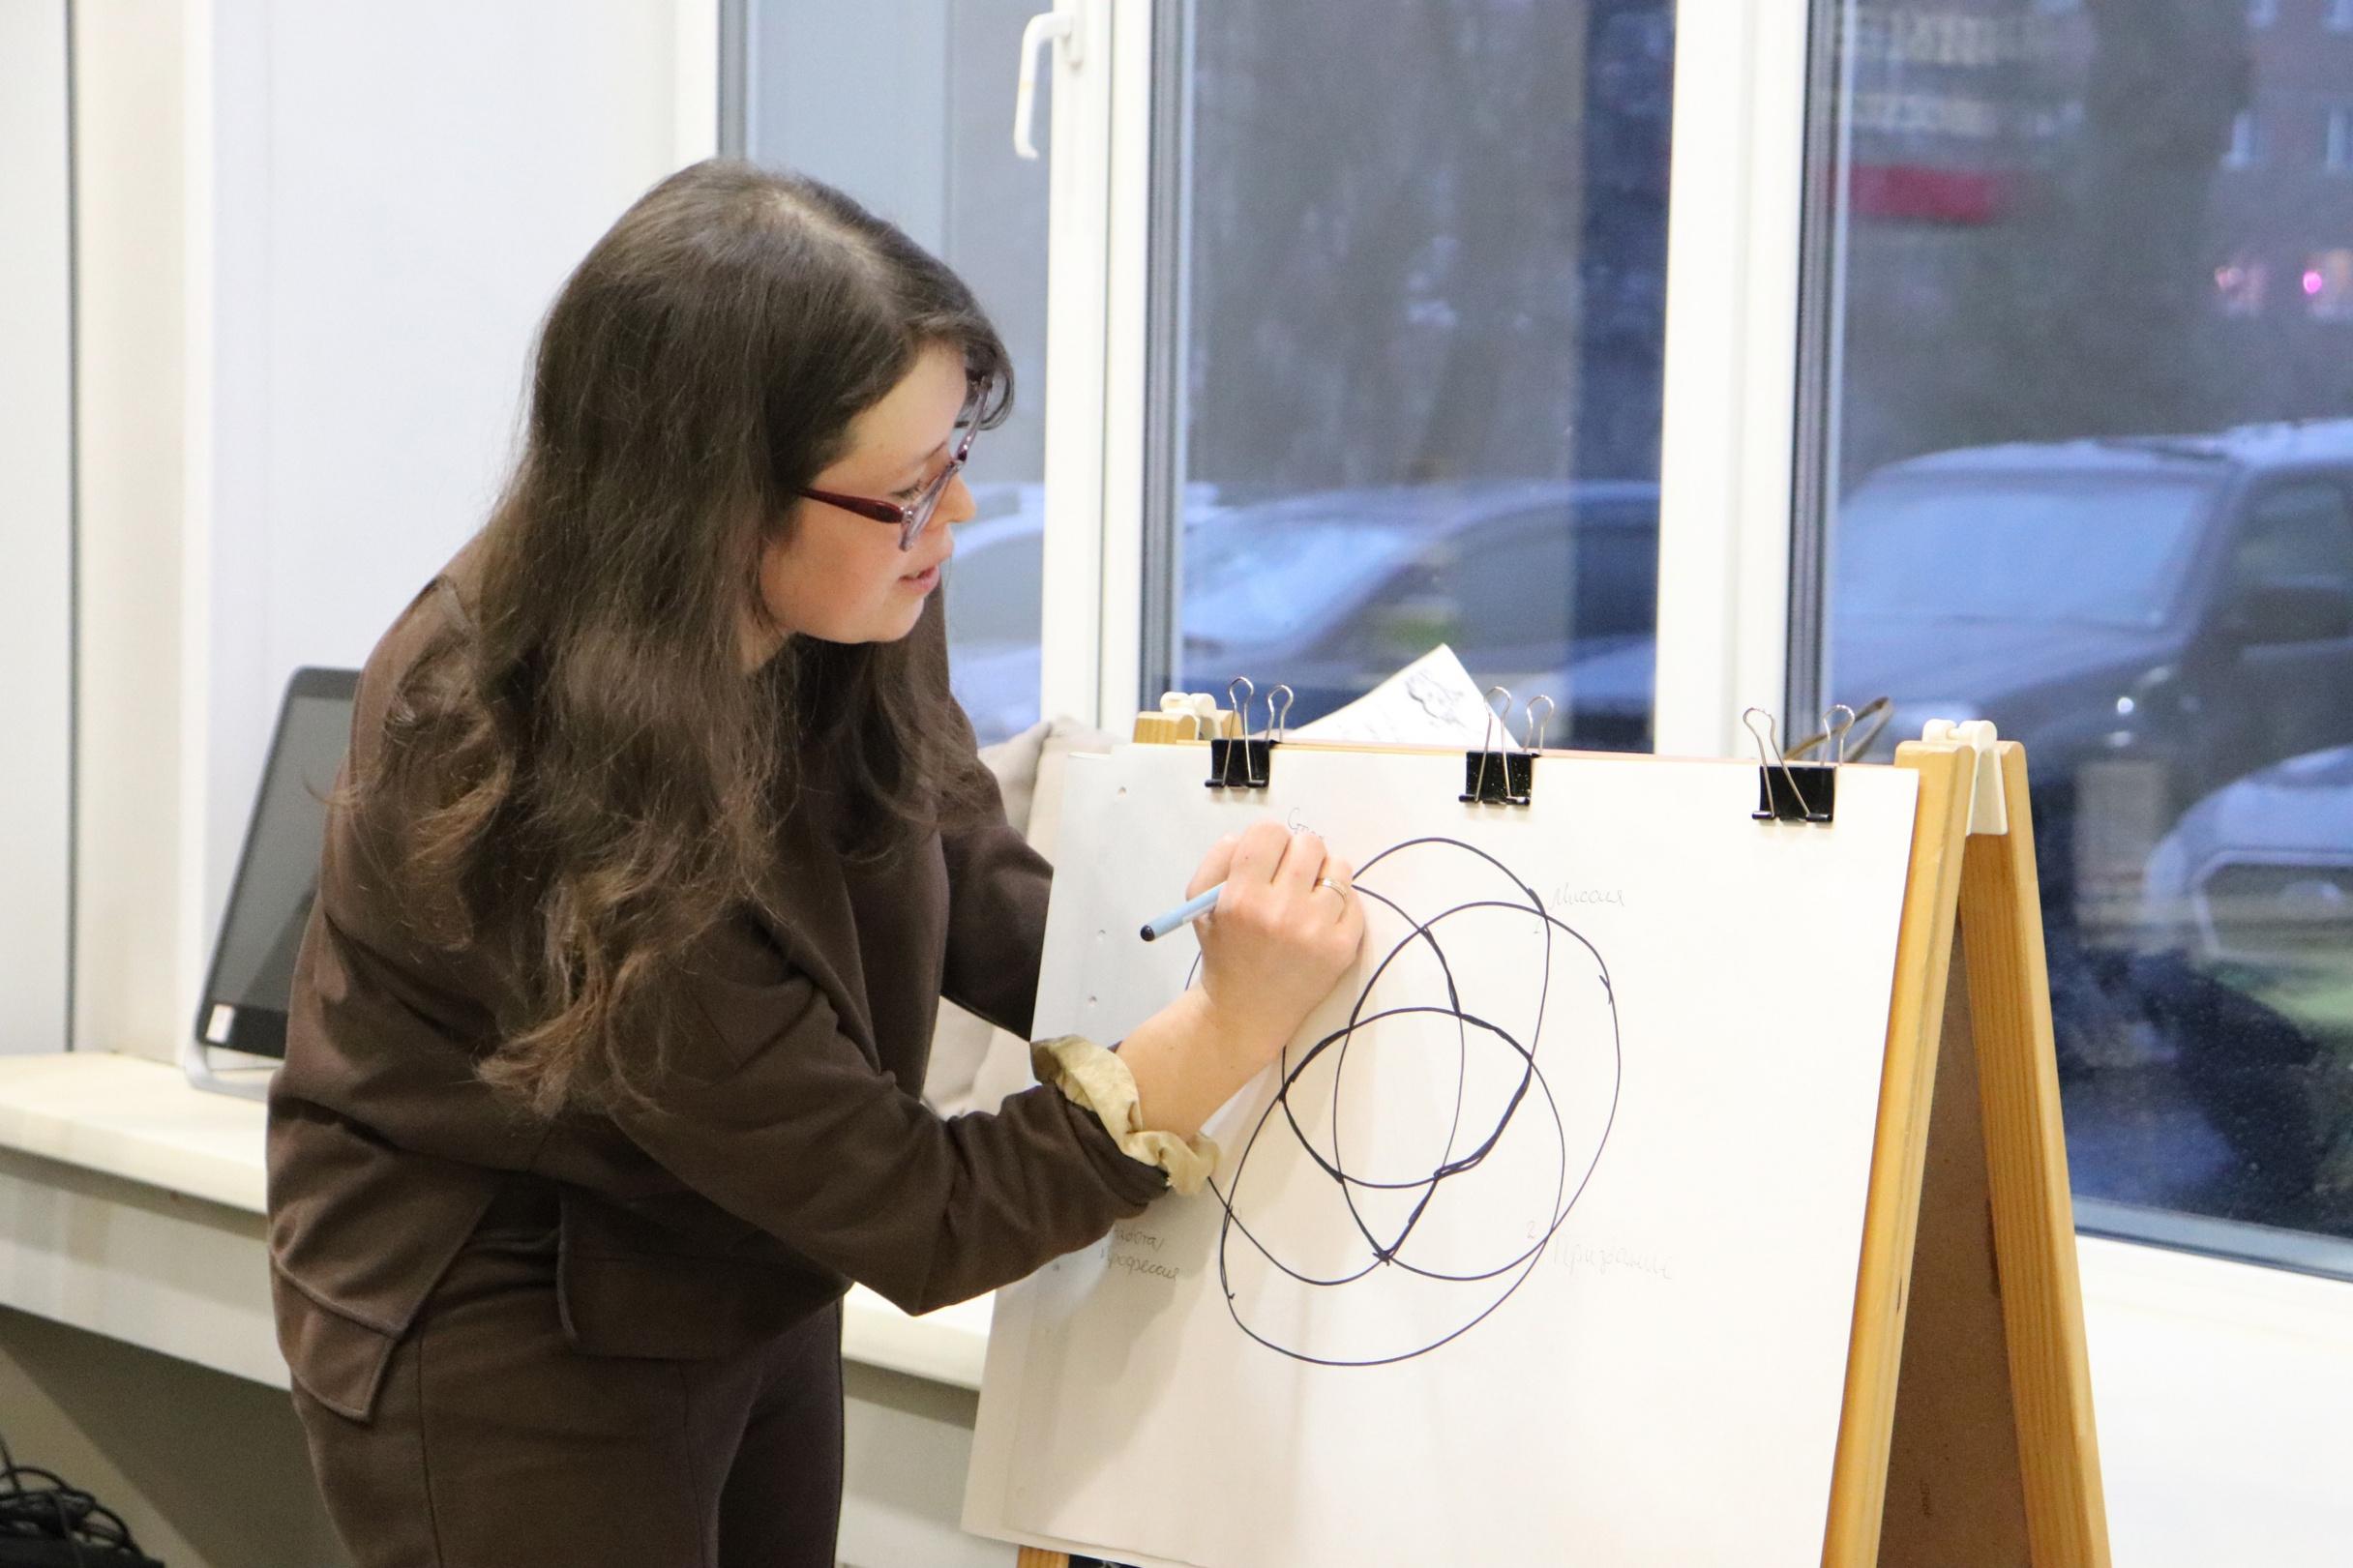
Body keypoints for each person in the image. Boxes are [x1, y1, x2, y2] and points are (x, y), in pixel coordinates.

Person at [264, 159, 1365, 1568]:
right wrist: (1216, 1031)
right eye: (910, 490)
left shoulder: (852, 579)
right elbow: (924, 1213)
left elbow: (947, 849)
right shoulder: (522, 755)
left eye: (956, 456)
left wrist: (1177, 939)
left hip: (739, 1248)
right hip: (510, 1322)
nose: (956, 520)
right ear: (716, 505)